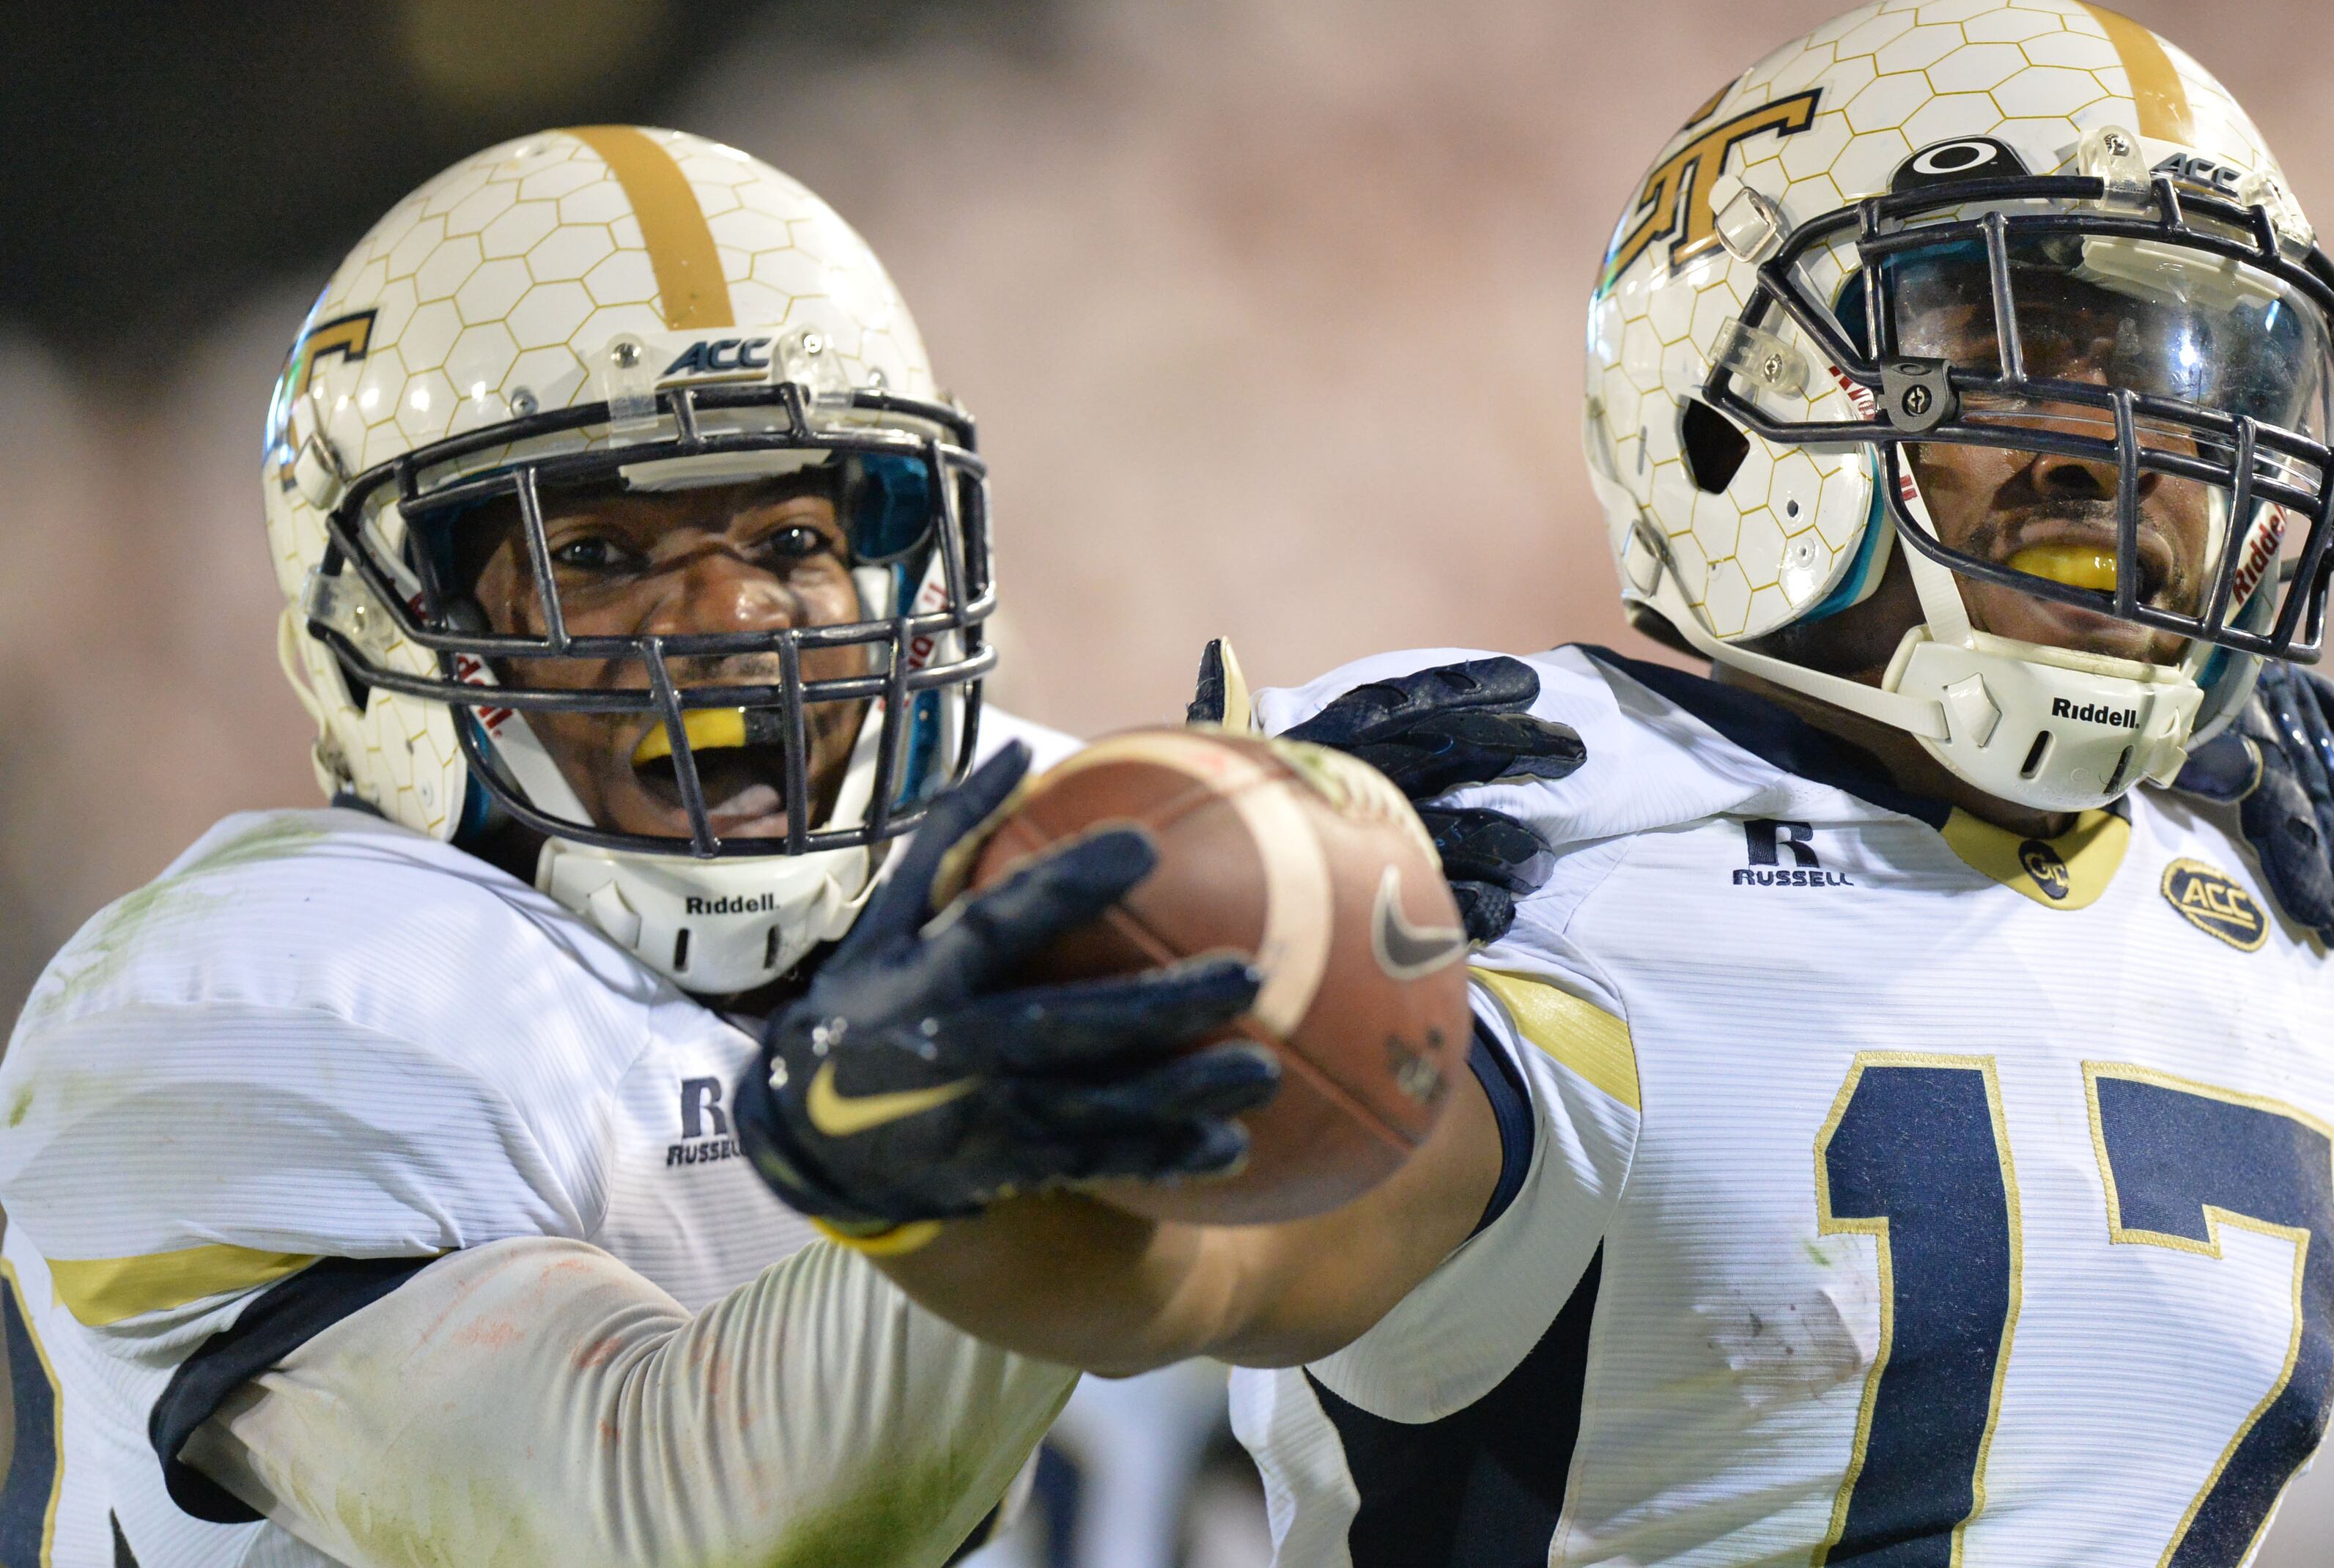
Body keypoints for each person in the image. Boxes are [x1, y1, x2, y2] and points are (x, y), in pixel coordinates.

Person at [734, 0, 2334, 1566]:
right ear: (1732, 403)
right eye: (2025, 346)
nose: (2126, 439)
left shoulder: (2296, 934)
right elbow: (1194, 1266)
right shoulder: (1532, 842)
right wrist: (916, 1169)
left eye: (2192, 374)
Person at [0, 127, 1567, 1568]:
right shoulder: (237, 1007)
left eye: (795, 541)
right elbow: (671, 1517)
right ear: (381, 639)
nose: (734, 619)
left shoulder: (1037, 845)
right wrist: (1002, 1151)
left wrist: (1365, 972)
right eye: (600, 554)